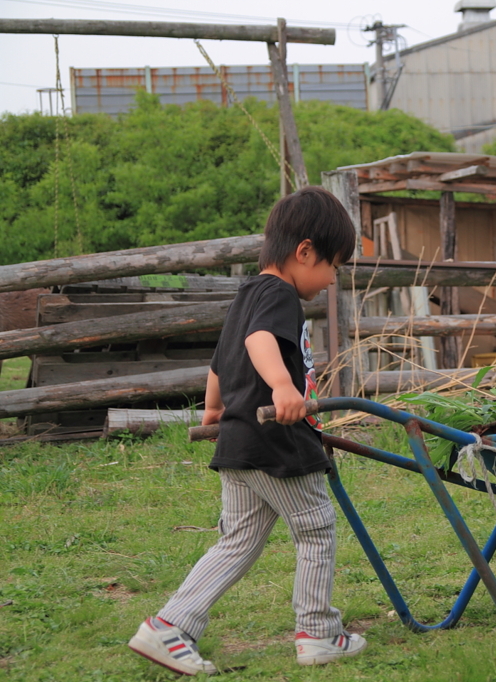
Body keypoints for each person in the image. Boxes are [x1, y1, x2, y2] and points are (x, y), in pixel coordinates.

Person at [128, 186, 363, 676]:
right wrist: (282, 387)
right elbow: (259, 342)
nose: (332, 278)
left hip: (239, 441)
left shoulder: (246, 294)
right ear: (304, 252)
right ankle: (318, 633)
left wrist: (213, 411)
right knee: (316, 530)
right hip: (276, 440)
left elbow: (219, 362)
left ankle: (169, 626)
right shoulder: (279, 295)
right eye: (333, 265)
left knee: (237, 541)